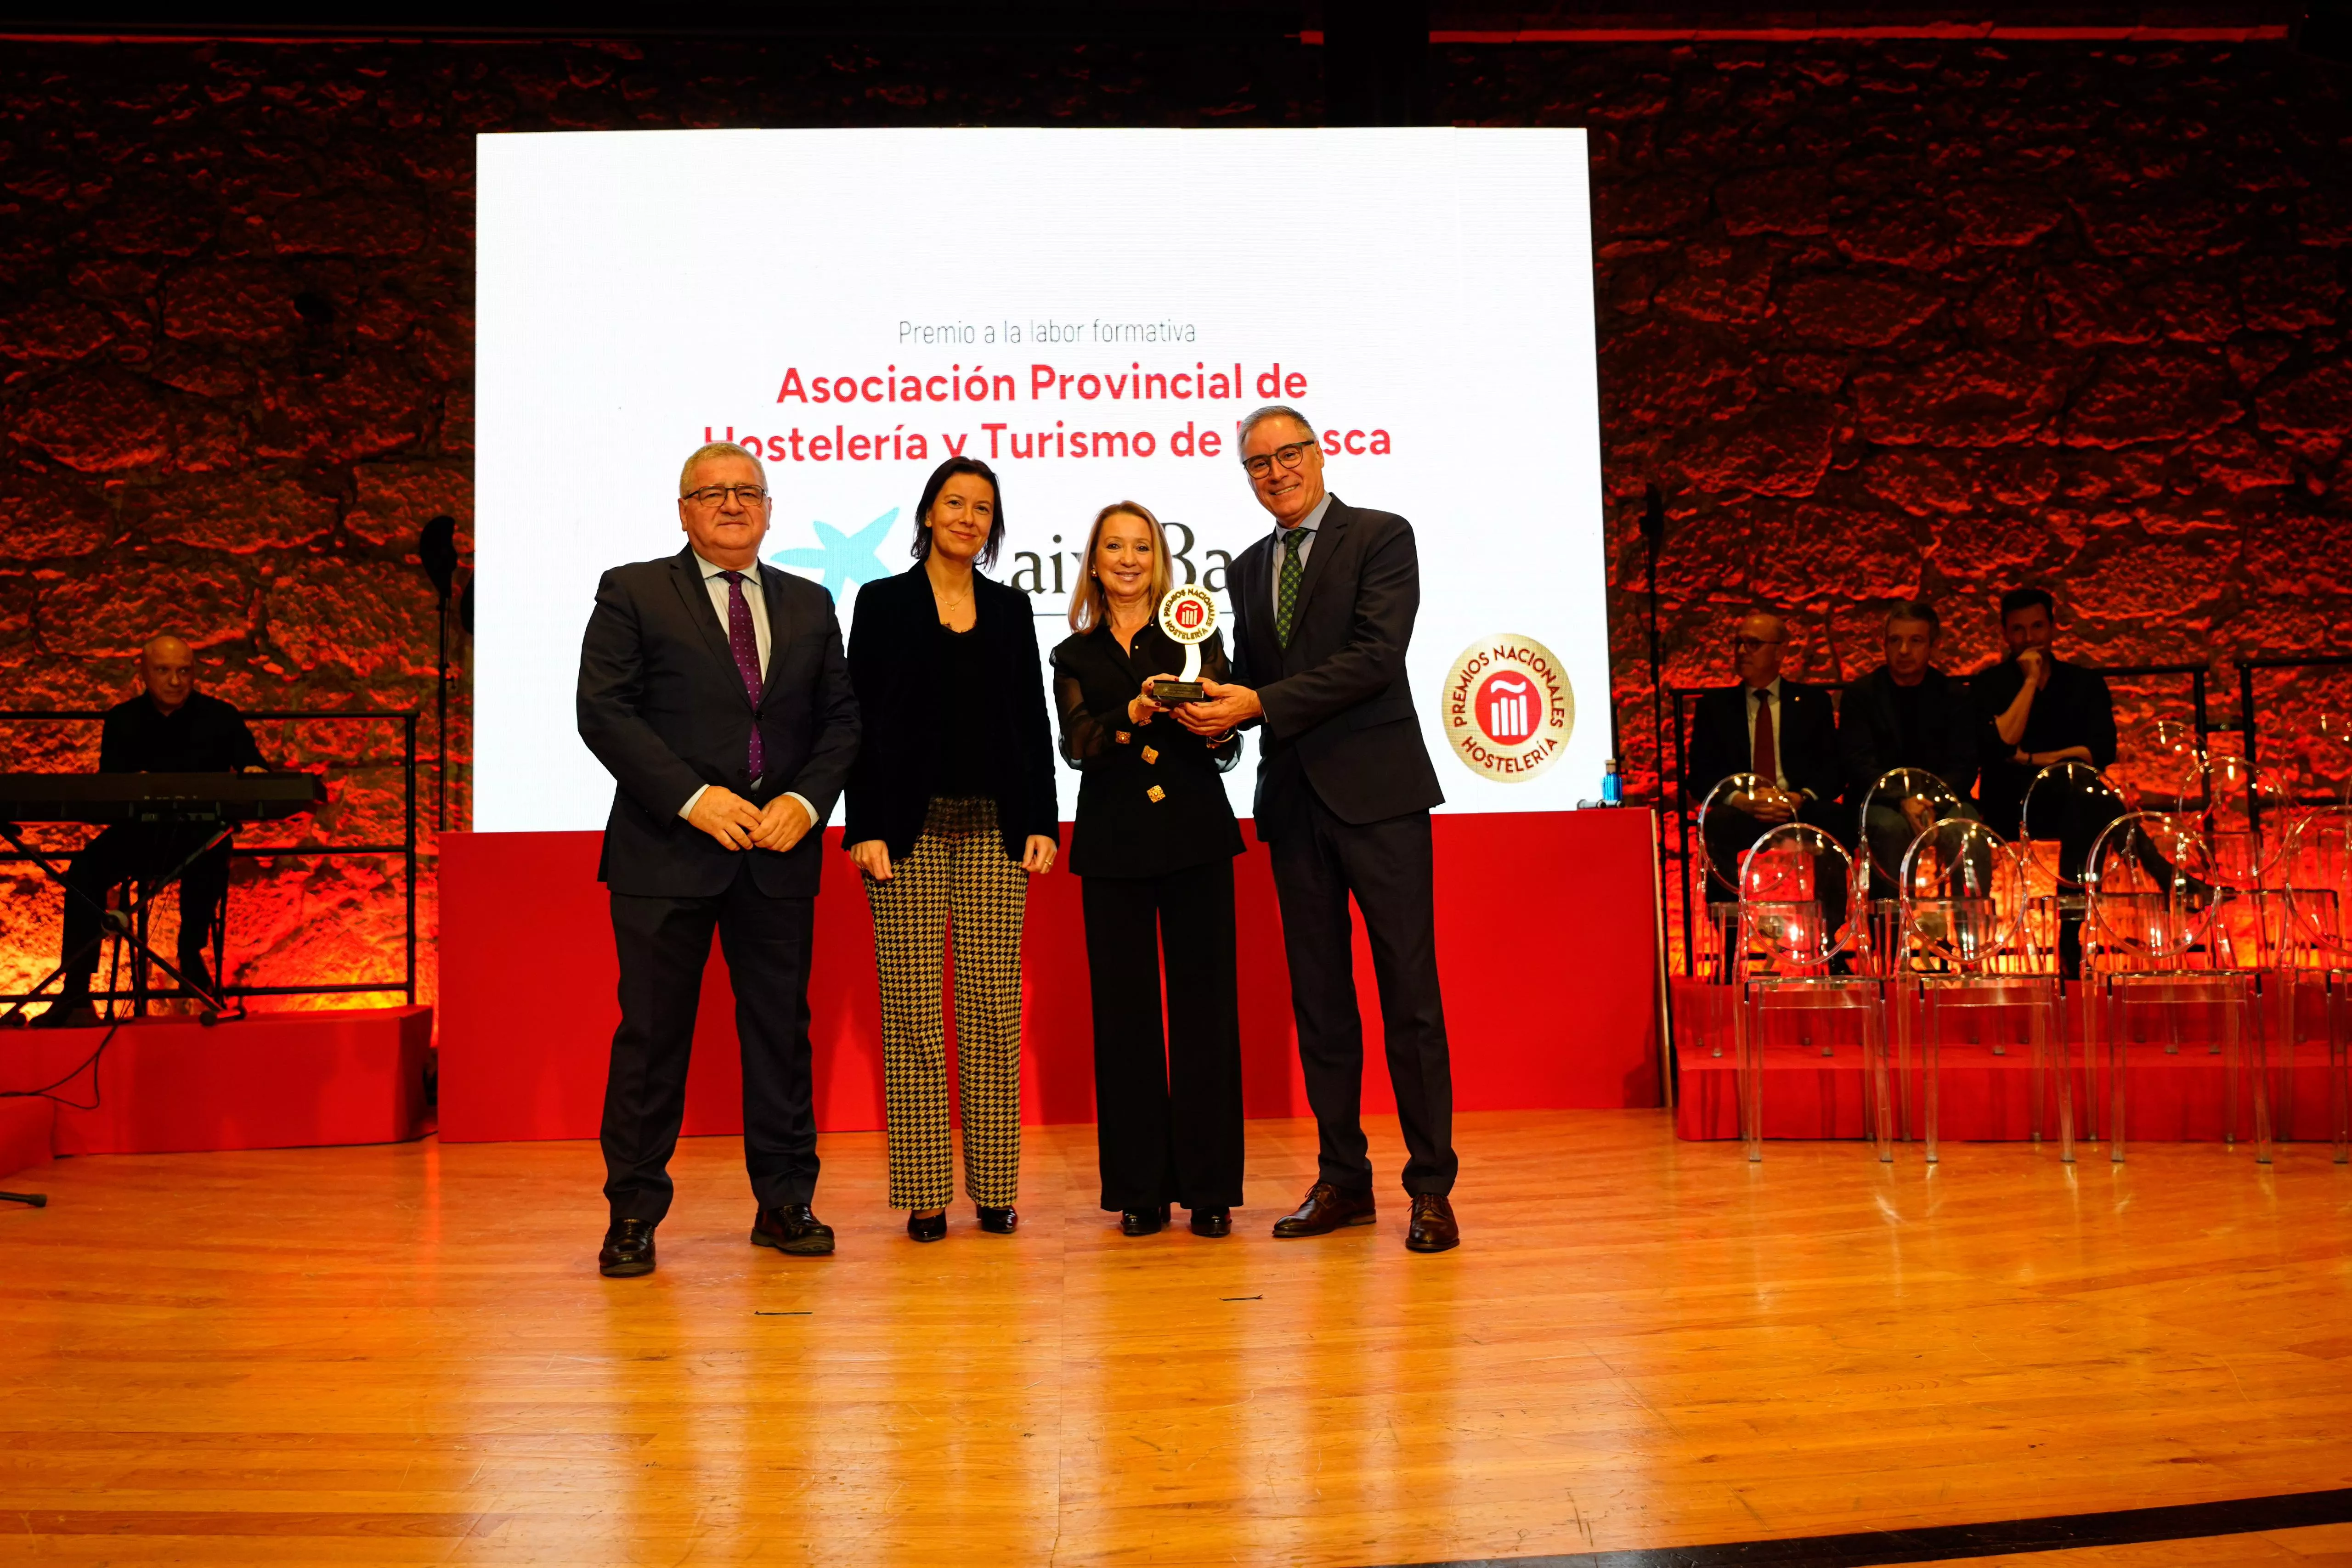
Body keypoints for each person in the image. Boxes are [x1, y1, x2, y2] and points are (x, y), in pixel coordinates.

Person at [1173, 405, 1460, 1255]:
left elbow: (1377, 656)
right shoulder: (1249, 565)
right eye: (1257, 463)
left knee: (1410, 999)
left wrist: (1259, 702)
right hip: (1294, 804)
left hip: (1381, 799)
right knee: (1322, 1003)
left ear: (1320, 453)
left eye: (1288, 453)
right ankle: (1344, 1177)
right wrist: (1211, 709)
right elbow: (1256, 680)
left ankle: (1432, 1188)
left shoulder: (1382, 535)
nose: (1276, 471)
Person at [576, 440, 860, 1279]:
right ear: (683, 510)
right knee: (653, 1038)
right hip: (666, 852)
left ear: (770, 509)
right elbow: (604, 710)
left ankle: (784, 1201)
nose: (732, 503)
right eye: (712, 492)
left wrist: (803, 806)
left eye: (748, 491)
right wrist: (696, 799)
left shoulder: (810, 603)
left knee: (780, 1034)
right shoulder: (632, 590)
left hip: (777, 853)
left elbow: (841, 720)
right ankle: (632, 1212)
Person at [843, 456, 1059, 1244]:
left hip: (997, 831)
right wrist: (861, 822)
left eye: (983, 508)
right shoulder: (882, 600)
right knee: (911, 1015)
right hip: (905, 830)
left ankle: (996, 1190)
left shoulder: (1010, 607)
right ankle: (927, 1192)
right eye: (955, 502)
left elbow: (1031, 720)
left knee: (994, 1010)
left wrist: (1043, 817)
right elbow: (858, 718)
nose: (969, 517)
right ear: (929, 514)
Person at [1051, 502, 1245, 1239]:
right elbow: (1077, 745)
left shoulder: (1195, 633)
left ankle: (1210, 1189)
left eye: (1142, 547)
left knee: (1206, 1014)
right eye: (1114, 547)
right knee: (1125, 1018)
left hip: (1196, 833)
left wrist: (1212, 718)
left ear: (1160, 560)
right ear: (1094, 561)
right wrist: (1132, 714)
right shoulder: (1076, 654)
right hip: (1114, 845)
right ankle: (1139, 1188)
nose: (1129, 559)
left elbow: (1226, 746)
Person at [38, 634, 267, 1027]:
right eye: (164, 671)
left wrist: (254, 772)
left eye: (184, 671)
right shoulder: (123, 719)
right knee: (84, 869)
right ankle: (76, 992)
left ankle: (190, 953)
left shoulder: (221, 717)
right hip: (139, 835)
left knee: (213, 847)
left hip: (199, 835)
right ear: (142, 672)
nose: (176, 681)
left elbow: (253, 764)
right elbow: (110, 786)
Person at [1683, 610, 1844, 896]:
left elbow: (1833, 770)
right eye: (1738, 644)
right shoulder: (1716, 707)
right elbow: (1699, 776)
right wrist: (1740, 800)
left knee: (1836, 818)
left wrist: (1801, 797)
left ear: (1780, 651)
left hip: (1795, 806)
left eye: (1754, 644)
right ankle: (1729, 926)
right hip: (1744, 809)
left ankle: (1829, 930)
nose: (1742, 652)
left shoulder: (1811, 703)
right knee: (1717, 821)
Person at [1839, 601, 1984, 889]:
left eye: (1915, 641)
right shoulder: (1861, 695)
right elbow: (1858, 763)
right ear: (1885, 644)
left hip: (1941, 799)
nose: (1904, 650)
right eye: (1895, 640)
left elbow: (1965, 765)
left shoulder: (1955, 696)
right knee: (1888, 828)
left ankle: (1970, 928)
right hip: (1880, 801)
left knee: (1966, 830)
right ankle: (1891, 929)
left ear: (1933, 646)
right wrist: (1902, 801)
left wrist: (1927, 802)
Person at [1973, 587, 2118, 837]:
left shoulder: (2084, 683)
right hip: (2009, 801)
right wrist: (2031, 681)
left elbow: (2102, 751)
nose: (2029, 638)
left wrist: (2030, 759)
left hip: (2071, 798)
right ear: (2005, 634)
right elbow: (2002, 746)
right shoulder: (1988, 684)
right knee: (2091, 798)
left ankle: (2073, 878)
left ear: (2052, 627)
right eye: (2018, 629)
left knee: (2085, 794)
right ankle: (2158, 869)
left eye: (2038, 626)